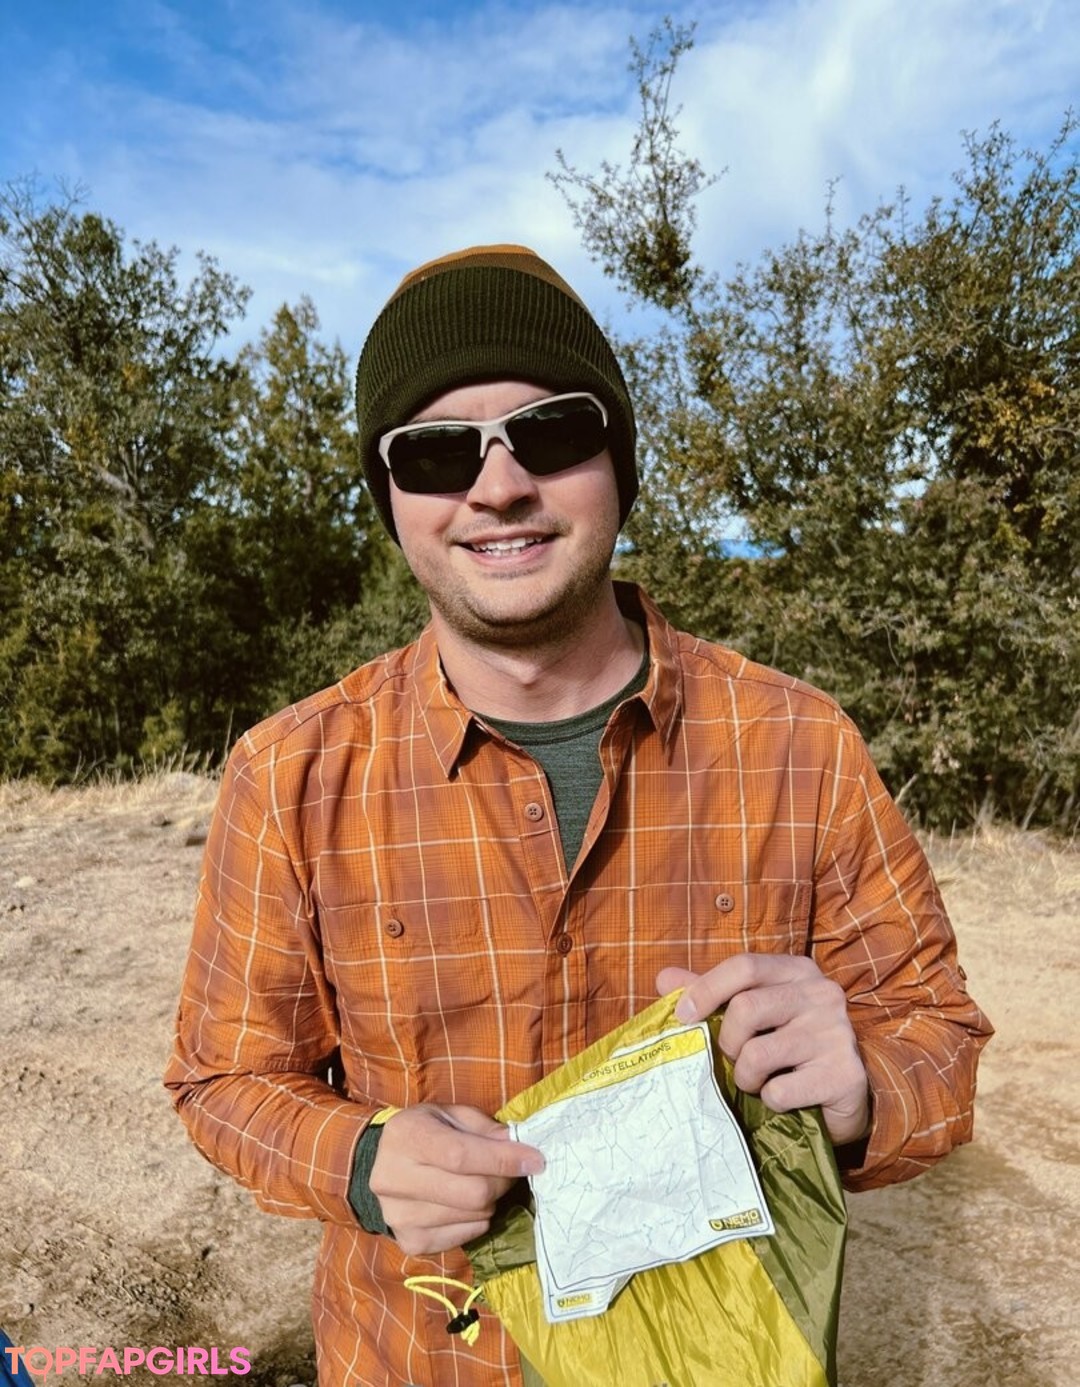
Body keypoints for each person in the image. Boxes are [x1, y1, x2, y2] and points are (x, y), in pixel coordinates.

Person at [165, 244, 992, 1387]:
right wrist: (359, 1158)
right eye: (437, 451)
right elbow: (221, 1079)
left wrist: (859, 1088)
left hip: (720, 1362)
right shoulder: (288, 775)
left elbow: (938, 1038)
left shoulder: (801, 744)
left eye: (549, 432)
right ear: (391, 497)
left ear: (617, 460)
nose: (499, 486)